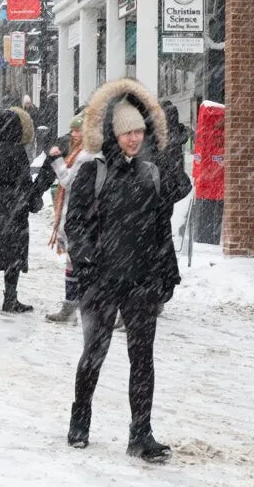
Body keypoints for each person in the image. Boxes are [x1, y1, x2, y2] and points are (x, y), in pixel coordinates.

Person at [63, 78, 187, 463]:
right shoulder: (93, 174)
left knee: (142, 360)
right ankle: (80, 420)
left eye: (138, 132)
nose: (133, 139)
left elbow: (169, 209)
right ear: (112, 135)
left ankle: (141, 434)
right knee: (94, 355)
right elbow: (76, 225)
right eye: (126, 133)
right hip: (101, 282)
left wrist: (166, 273)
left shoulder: (150, 174)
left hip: (141, 282)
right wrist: (87, 264)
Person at [0, 107, 41, 313]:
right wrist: (33, 201)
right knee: (14, 250)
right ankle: (10, 298)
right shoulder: (16, 151)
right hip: (12, 203)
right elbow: (24, 180)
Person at [35, 114, 89, 324]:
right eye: (73, 130)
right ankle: (71, 306)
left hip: (79, 216)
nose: (73, 134)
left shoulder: (85, 156)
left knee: (78, 262)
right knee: (73, 262)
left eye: (77, 130)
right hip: (75, 215)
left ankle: (76, 308)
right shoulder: (79, 153)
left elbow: (68, 181)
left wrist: (57, 161)